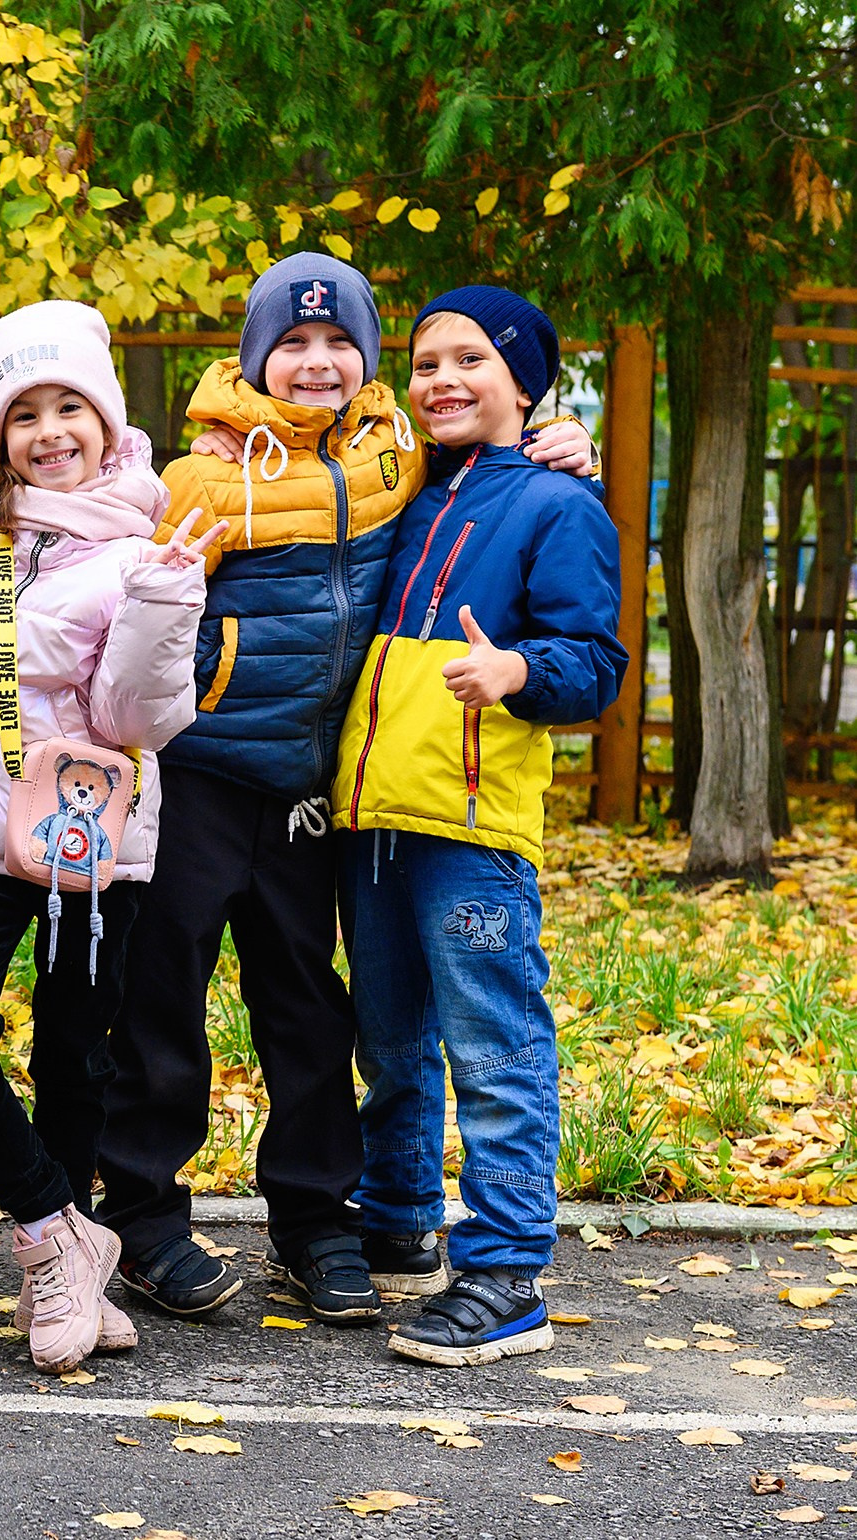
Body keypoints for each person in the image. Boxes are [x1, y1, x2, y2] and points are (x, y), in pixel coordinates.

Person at [97, 253, 596, 1324]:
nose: (317, 361)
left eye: (340, 344)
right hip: (198, 778)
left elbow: (505, 481)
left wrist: (566, 445)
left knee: (310, 1015)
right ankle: (145, 1217)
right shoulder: (196, 475)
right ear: (254, 356)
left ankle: (320, 1222)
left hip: (315, 795)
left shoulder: (401, 466)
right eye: (293, 342)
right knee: (165, 1005)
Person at [0, 301, 214, 1374]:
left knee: (72, 1052)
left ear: (106, 416)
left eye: (68, 406)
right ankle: (55, 1231)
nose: (47, 430)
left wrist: (165, 602)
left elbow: (140, 722)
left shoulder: (153, 537)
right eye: (23, 412)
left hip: (97, 831)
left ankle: (65, 1256)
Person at [332, 285, 624, 1365]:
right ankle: (401, 1222)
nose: (441, 380)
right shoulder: (406, 492)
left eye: (470, 360)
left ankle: (506, 1272)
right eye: (424, 363)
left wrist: (516, 669)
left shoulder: (557, 506)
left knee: (493, 1043)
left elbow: (594, 663)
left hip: (468, 826)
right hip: (374, 820)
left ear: (523, 381)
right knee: (389, 1041)